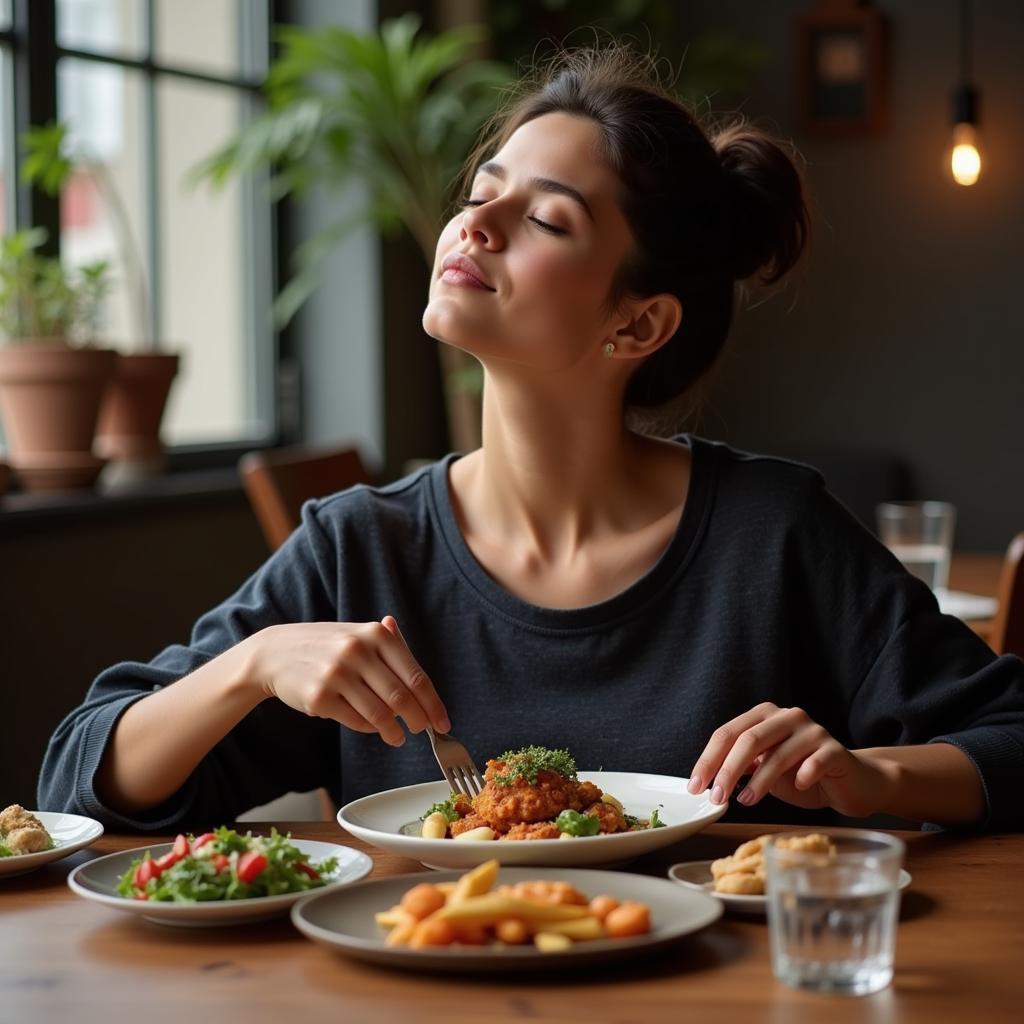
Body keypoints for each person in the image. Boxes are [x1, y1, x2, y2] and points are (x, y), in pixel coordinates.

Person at [39, 45, 1023, 832]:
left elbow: (1008, 733)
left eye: (545, 218)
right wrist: (247, 667)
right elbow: (79, 776)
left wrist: (866, 776)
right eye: (483, 189)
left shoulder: (771, 534)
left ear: (636, 324)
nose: (478, 221)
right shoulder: (358, 550)